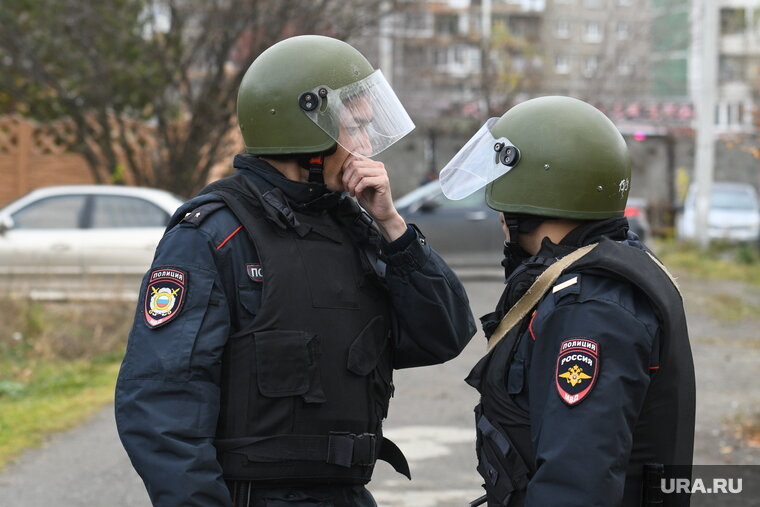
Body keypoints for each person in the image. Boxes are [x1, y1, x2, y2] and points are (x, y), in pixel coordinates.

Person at [115, 35, 476, 507]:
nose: (368, 147)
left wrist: (393, 226)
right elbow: (159, 403)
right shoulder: (214, 235)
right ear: (304, 128)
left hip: (345, 494)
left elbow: (443, 335)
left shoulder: (356, 225)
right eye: (357, 128)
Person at [439, 96, 695, 507]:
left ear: (532, 192)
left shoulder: (589, 308)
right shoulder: (605, 270)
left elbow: (576, 483)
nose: (499, 212)